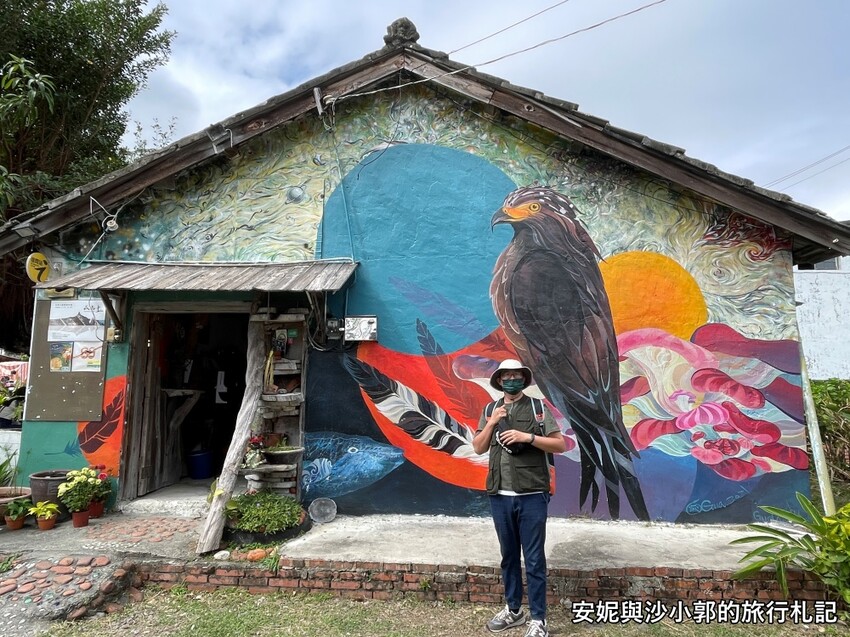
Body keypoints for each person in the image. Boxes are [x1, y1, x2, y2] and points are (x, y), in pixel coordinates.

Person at [472, 359, 566, 637]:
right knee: (508, 556)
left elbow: (560, 444)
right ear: (499, 381)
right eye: (506, 376)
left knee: (534, 558)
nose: (512, 380)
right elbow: (478, 447)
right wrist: (491, 423)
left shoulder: (538, 409)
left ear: (524, 379)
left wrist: (528, 437)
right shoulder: (490, 409)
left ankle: (539, 620)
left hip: (532, 495)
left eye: (517, 376)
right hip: (499, 495)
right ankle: (514, 610)